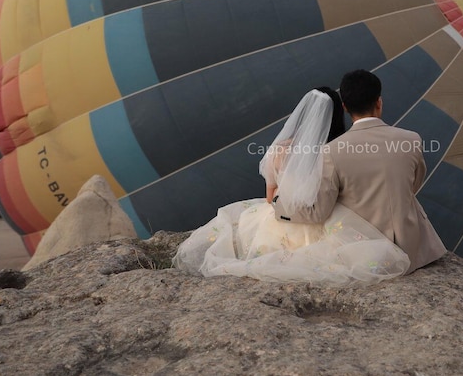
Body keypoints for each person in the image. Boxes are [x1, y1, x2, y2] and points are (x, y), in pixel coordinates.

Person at [173, 86, 411, 285]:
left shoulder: (281, 149)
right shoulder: (338, 150)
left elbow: (270, 197)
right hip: (327, 222)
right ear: (340, 114)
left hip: (281, 218)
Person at [273, 70, 447, 273]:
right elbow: (414, 185)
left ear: (345, 107)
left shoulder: (331, 151)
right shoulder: (411, 139)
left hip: (364, 252)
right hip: (413, 249)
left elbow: (319, 211)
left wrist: (278, 204)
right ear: (379, 102)